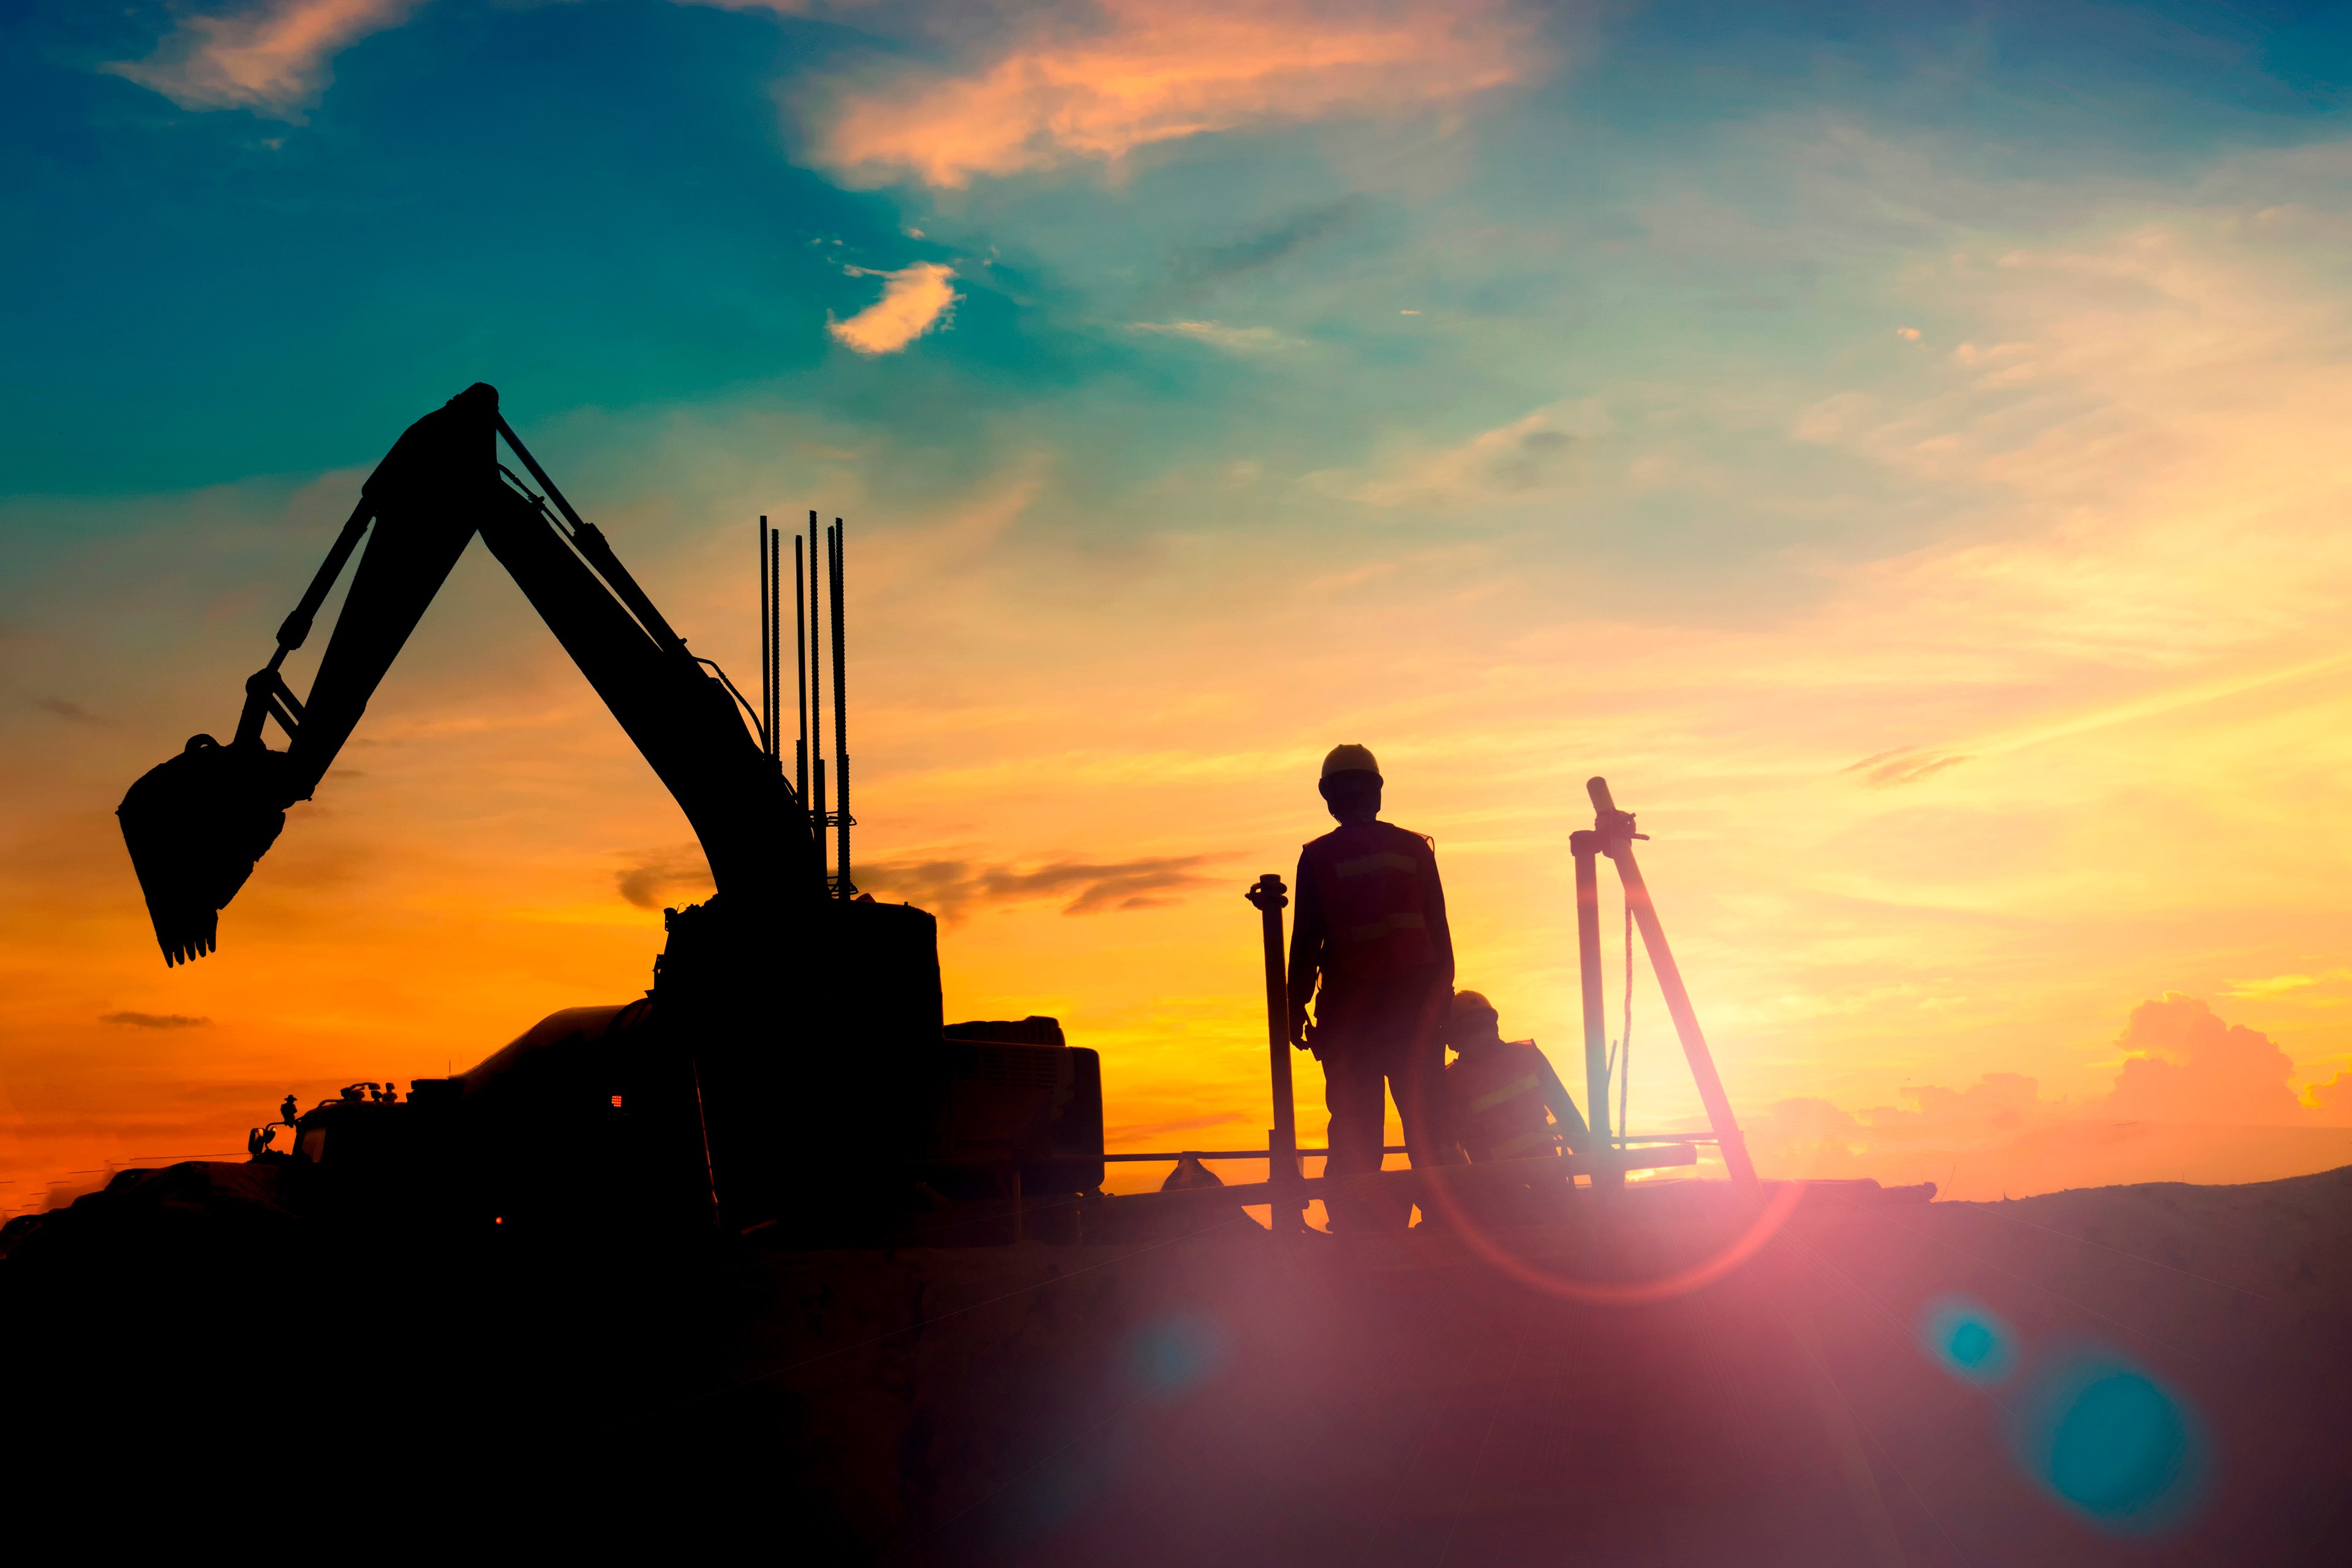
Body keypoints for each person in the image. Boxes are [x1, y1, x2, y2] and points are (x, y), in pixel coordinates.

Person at [1287, 744, 1455, 1231]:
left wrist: (1294, 1005)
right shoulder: (1412, 849)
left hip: (1353, 1023)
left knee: (1357, 1132)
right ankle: (1446, 1218)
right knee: (1427, 1122)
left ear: (1329, 798)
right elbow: (1439, 933)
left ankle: (1357, 1225)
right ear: (1377, 792)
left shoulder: (1318, 857)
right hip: (1413, 1017)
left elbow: (1305, 940)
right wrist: (1440, 1002)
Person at [1441, 990, 1589, 1227]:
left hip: (1498, 1196)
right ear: (1493, 1023)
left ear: (1453, 1037)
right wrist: (1596, 1159)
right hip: (1547, 1182)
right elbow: (1568, 1115)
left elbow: (1449, 1147)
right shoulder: (1528, 1058)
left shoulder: (1451, 1081)